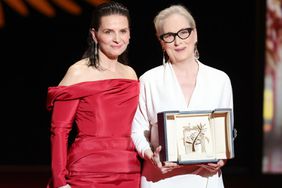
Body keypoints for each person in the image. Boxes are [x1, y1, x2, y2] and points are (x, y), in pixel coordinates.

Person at [131, 4, 233, 188]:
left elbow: (225, 132)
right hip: (159, 180)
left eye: (183, 32)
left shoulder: (220, 80)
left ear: (195, 34)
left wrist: (222, 158)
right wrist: (150, 156)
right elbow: (137, 131)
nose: (178, 42)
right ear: (160, 41)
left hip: (207, 181)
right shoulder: (149, 80)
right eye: (169, 36)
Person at [46, 1, 141, 188]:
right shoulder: (78, 73)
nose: (117, 39)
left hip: (130, 170)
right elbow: (59, 131)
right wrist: (59, 182)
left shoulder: (130, 74)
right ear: (94, 35)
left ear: (129, 33)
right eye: (108, 32)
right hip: (88, 174)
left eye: (123, 31)